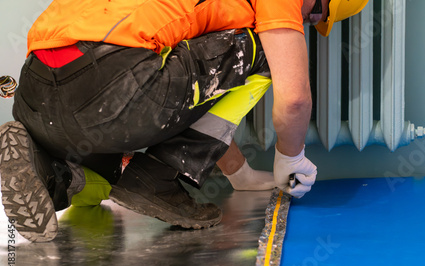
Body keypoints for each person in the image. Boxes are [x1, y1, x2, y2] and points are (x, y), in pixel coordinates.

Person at [0, 0, 369, 242]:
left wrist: (240, 175)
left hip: (37, 90)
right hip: (111, 85)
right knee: (263, 53)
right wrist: (291, 157)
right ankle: (157, 177)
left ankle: (55, 177)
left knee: (105, 174)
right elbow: (295, 98)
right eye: (316, 13)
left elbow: (207, 88)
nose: (307, 21)